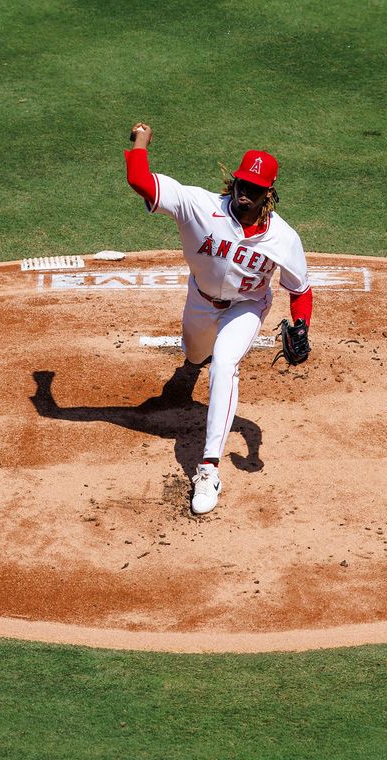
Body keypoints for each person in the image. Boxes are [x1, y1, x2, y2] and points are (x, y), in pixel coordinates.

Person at [124, 122, 314, 514]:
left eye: (255, 189)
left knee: (224, 366)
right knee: (195, 354)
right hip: (200, 300)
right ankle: (193, 364)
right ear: (233, 182)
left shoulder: (284, 239)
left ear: (269, 194)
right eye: (242, 184)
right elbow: (140, 180)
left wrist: (302, 326)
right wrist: (141, 140)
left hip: (247, 306)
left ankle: (208, 468)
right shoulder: (199, 205)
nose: (245, 193)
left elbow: (300, 290)